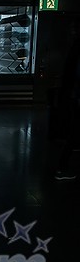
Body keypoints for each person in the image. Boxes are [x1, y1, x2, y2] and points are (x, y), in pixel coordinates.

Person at [54, 21, 80, 180]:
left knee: (73, 131)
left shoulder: (74, 48)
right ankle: (62, 168)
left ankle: (63, 167)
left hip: (72, 97)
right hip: (76, 97)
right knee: (74, 132)